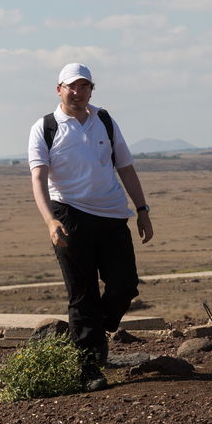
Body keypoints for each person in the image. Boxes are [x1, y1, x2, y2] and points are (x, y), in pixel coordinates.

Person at [29, 63, 154, 390]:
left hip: (112, 216)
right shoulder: (45, 127)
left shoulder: (105, 121)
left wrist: (142, 209)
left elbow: (125, 167)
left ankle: (95, 331)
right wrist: (50, 220)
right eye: (71, 86)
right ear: (59, 89)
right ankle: (89, 369)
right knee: (82, 294)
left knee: (125, 284)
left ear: (90, 90)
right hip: (69, 215)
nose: (78, 92)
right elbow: (38, 179)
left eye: (84, 86)